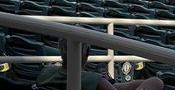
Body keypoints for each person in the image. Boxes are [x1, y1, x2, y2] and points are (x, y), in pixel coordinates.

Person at [36, 38, 164, 90]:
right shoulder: (93, 80)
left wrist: (109, 83)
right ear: (87, 53)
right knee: (156, 82)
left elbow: (120, 87)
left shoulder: (46, 72)